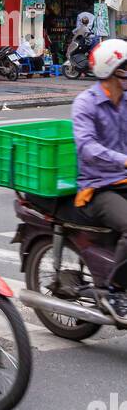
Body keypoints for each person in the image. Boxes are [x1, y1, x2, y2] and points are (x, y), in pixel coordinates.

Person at [72, 38, 127, 322]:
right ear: (111, 70)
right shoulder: (86, 103)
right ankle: (113, 290)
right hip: (97, 187)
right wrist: (123, 160)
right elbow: (87, 148)